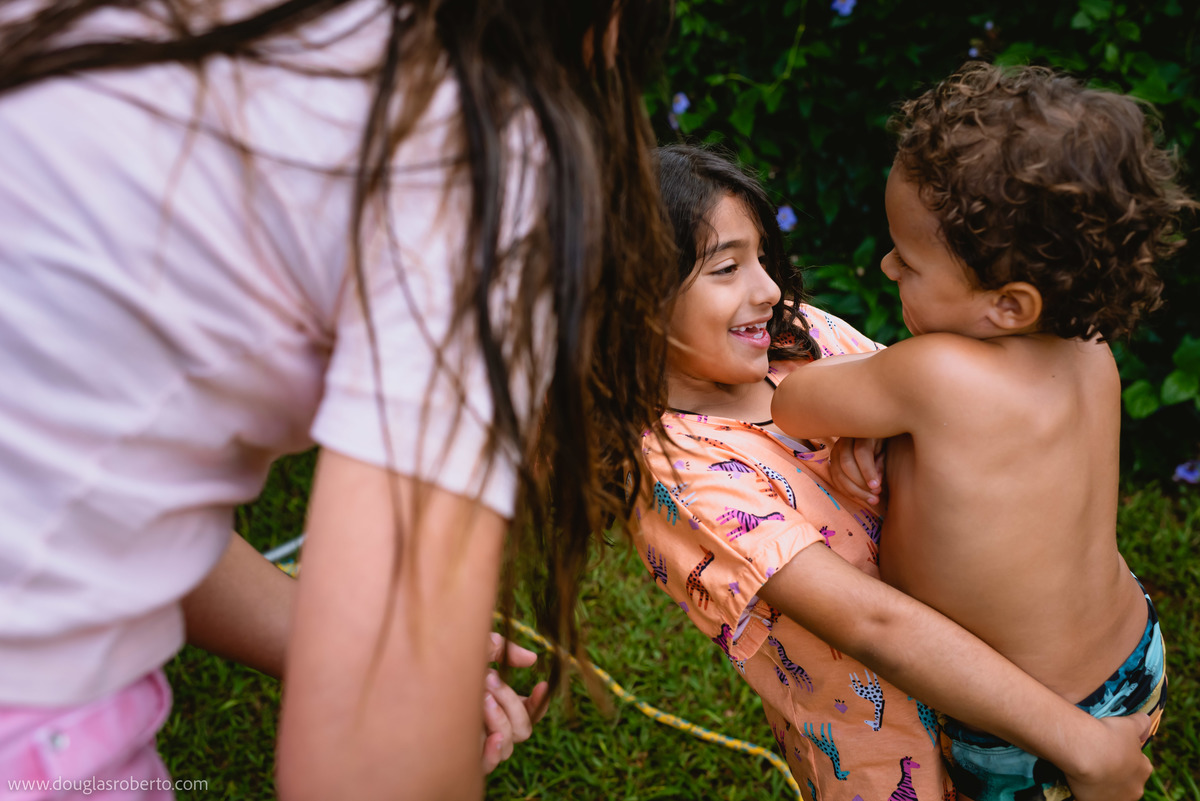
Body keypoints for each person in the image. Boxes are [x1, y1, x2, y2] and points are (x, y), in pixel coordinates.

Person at [0, 2, 676, 798]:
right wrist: (395, 684)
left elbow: (83, 477)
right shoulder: (473, 137)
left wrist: (337, 646)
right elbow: (368, 764)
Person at [630, 144, 1155, 801]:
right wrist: (1080, 744)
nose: (767, 288)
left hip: (1024, 703)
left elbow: (930, 410)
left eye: (762, 257)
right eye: (729, 267)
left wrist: (872, 437)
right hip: (898, 760)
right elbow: (874, 623)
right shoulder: (681, 476)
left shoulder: (797, 335)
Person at [770, 64, 1195, 800]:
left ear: (1008, 305)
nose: (886, 263)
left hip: (1022, 726)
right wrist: (889, 430)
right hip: (1133, 655)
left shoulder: (932, 375)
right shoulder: (1092, 354)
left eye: (908, 258)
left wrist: (873, 415)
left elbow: (796, 403)